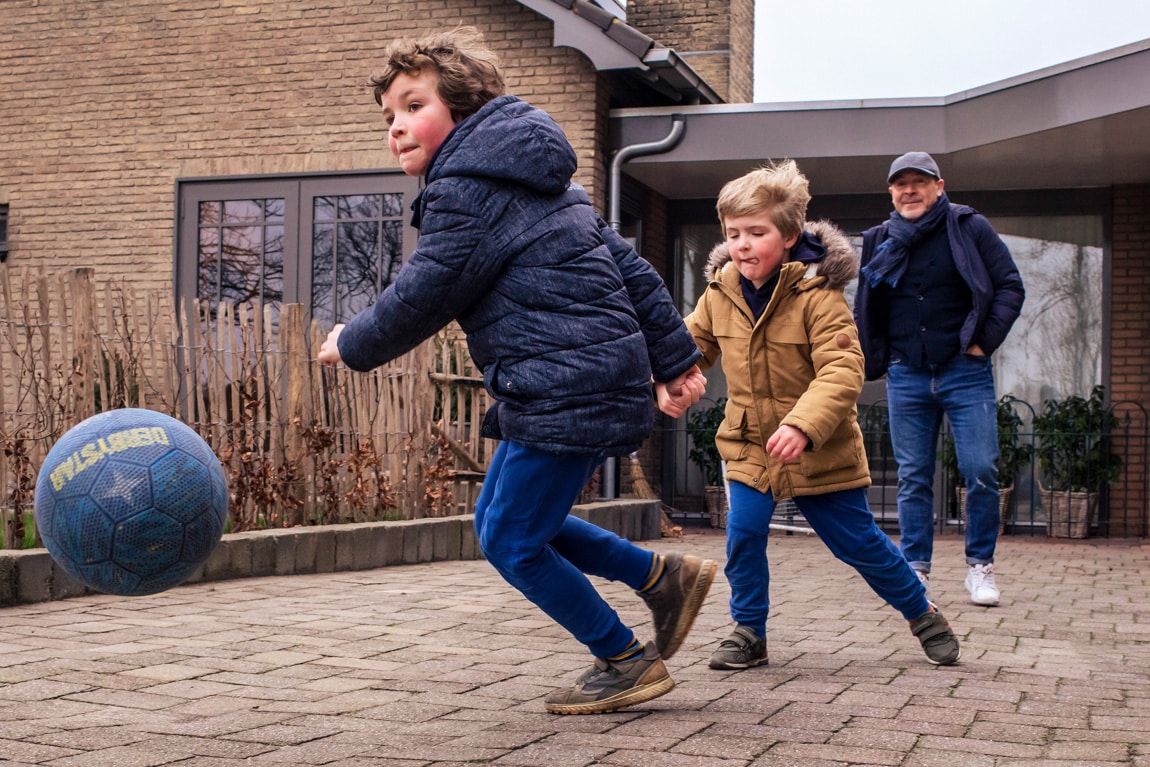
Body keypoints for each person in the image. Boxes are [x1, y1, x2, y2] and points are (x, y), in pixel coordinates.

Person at [317, 27, 717, 716]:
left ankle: (624, 657)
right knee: (513, 518)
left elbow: (427, 288)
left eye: (413, 105)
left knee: (508, 536)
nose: (398, 126)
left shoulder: (468, 188)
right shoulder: (541, 184)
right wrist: (673, 359)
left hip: (565, 381)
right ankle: (660, 576)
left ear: (464, 106)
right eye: (388, 117)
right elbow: (633, 270)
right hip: (572, 377)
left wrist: (353, 341)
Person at [682, 160, 961, 670]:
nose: (743, 245)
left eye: (756, 233)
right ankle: (748, 632)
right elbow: (690, 345)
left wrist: (801, 424)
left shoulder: (819, 295)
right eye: (734, 233)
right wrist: (676, 378)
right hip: (749, 445)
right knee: (742, 534)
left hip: (818, 447)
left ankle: (921, 612)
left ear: (788, 235)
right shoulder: (719, 291)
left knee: (859, 545)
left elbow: (843, 369)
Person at [854, 152, 1025, 606]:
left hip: (964, 371)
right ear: (891, 192)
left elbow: (1010, 286)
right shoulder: (879, 239)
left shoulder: (969, 228)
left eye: (919, 182)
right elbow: (865, 306)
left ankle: (979, 567)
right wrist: (881, 357)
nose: (909, 190)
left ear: (939, 185)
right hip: (907, 373)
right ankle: (916, 569)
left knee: (981, 469)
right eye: (900, 184)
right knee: (912, 476)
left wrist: (982, 344)